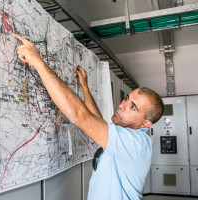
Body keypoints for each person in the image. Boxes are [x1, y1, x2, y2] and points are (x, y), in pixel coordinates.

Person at [14, 34, 164, 200]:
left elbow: (80, 116)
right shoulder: (126, 135)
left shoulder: (136, 144)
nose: (122, 105)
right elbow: (97, 122)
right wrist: (84, 87)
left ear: (145, 123)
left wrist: (38, 62)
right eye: (127, 98)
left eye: (133, 107)